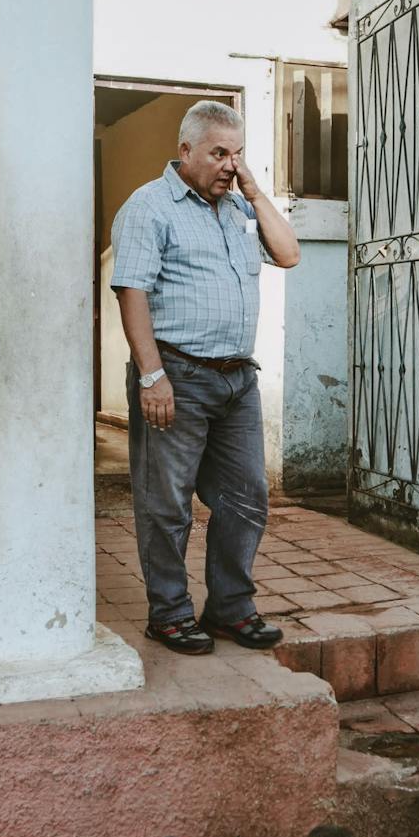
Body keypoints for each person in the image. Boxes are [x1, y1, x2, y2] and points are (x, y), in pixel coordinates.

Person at [109, 100, 300, 655]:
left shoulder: (242, 211)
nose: (229, 166)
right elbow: (132, 292)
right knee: (166, 505)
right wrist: (151, 377)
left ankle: (230, 609)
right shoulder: (150, 208)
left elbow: (287, 254)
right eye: (220, 153)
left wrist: (256, 193)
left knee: (247, 498)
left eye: (237, 154)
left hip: (238, 380)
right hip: (179, 377)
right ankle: (168, 614)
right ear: (185, 150)